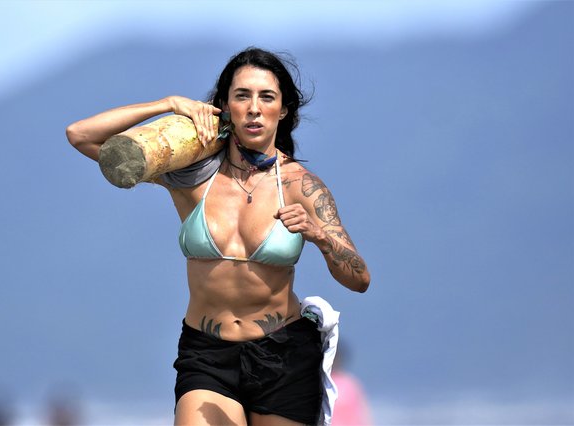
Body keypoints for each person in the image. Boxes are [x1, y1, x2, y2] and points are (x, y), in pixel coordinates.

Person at [66, 47, 370, 426]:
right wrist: (167, 104)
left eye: (267, 97)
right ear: (225, 106)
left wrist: (319, 237)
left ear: (285, 109)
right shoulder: (191, 177)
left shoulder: (302, 188)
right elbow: (80, 135)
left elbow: (359, 279)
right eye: (242, 96)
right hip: (206, 354)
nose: (254, 108)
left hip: (283, 355)